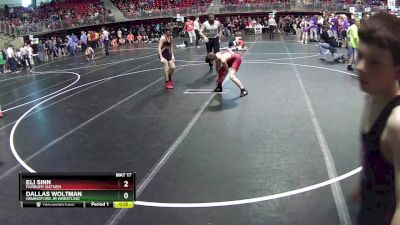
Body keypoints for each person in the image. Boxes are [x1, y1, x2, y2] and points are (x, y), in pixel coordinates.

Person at [352, 13, 400, 225]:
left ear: (397, 72)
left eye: (375, 62)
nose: (361, 67)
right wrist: (362, 184)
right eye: (360, 56)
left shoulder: (396, 123)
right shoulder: (372, 95)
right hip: (369, 204)